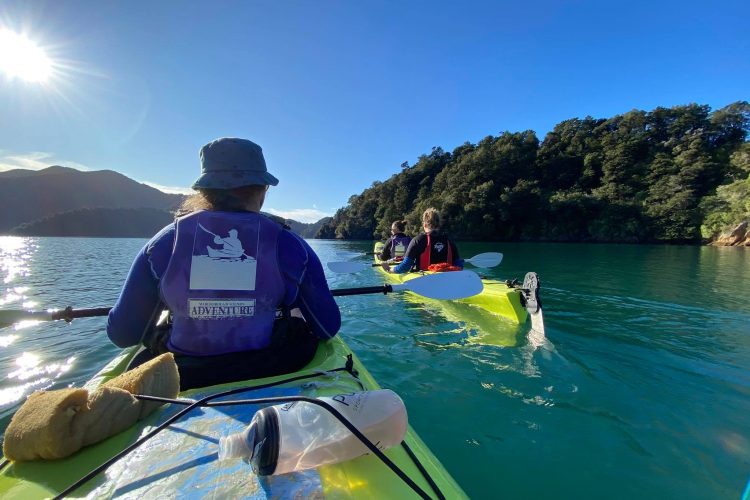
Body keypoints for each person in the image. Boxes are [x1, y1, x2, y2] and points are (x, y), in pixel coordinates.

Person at [107, 137, 341, 390]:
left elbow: (123, 334)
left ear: (203, 191)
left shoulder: (163, 243)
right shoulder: (291, 244)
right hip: (271, 364)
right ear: (262, 190)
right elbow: (327, 327)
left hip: (183, 373)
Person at [385, 208, 463, 274]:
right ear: (439, 224)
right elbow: (459, 265)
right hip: (448, 278)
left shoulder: (418, 240)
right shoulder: (449, 240)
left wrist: (390, 269)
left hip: (424, 279)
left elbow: (405, 267)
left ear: (424, 224)